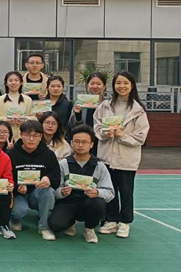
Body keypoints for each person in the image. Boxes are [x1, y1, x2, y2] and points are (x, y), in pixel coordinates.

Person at [94, 71, 150, 239]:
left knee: (126, 191)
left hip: (126, 158)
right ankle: (111, 219)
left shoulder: (138, 110)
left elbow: (141, 136)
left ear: (132, 85)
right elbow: (97, 126)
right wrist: (105, 134)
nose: (122, 86)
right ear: (113, 86)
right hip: (106, 157)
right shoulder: (104, 106)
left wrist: (122, 136)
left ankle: (125, 221)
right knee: (109, 189)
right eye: (118, 83)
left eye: (125, 83)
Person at [50, 124, 115, 244]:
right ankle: (70, 223)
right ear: (71, 143)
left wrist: (97, 192)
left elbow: (110, 192)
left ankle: (89, 229)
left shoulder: (99, 166)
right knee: (56, 225)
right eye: (77, 141)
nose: (80, 145)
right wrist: (62, 192)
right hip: (68, 202)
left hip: (89, 202)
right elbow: (55, 189)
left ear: (91, 144)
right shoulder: (63, 164)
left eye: (84, 142)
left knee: (98, 203)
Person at [7, 120, 59, 241]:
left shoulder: (49, 154)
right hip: (18, 194)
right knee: (19, 211)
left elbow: (56, 177)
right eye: (27, 135)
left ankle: (44, 227)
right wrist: (17, 187)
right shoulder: (11, 154)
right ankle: (15, 220)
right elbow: (5, 178)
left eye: (35, 135)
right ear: (21, 135)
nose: (31, 139)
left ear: (41, 137)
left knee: (48, 191)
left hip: (38, 193)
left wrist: (48, 179)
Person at [0, 71, 34, 141]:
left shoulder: (28, 100)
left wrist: (24, 120)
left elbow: (34, 118)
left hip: (24, 137)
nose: (13, 83)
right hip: (4, 138)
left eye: (16, 80)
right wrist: (5, 120)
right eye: (10, 80)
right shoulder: (0, 100)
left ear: (21, 83)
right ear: (6, 83)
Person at [69, 71, 107, 155]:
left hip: (102, 142)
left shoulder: (108, 104)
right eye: (92, 83)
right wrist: (77, 115)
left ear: (104, 86)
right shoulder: (80, 103)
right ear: (87, 85)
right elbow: (71, 125)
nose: (95, 86)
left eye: (98, 84)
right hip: (84, 143)